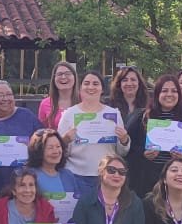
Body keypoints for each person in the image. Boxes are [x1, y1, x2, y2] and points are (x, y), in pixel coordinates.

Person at [126, 73, 182, 197]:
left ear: (179, 94)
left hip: (180, 180)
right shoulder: (143, 117)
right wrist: (143, 154)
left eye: (174, 91)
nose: (169, 94)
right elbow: (130, 148)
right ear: (157, 94)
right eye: (164, 91)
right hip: (149, 181)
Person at [57, 70, 131, 198]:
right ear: (80, 88)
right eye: (86, 83)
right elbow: (58, 150)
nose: (91, 87)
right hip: (75, 176)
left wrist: (124, 140)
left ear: (102, 89)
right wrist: (65, 140)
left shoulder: (113, 114)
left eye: (95, 84)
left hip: (106, 176)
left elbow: (121, 152)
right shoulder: (69, 114)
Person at [0, 80, 43, 209]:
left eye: (9, 94)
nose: (6, 98)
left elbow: (41, 142)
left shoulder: (26, 116)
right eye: (0, 95)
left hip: (24, 188)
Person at [27, 128, 80, 197]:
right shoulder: (30, 176)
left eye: (58, 146)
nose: (56, 151)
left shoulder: (68, 175)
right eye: (50, 148)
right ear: (38, 151)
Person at [37, 60, 79, 130]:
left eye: (68, 73)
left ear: (74, 77)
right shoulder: (45, 104)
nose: (63, 77)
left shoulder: (84, 100)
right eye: (59, 74)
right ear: (54, 79)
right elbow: (41, 132)